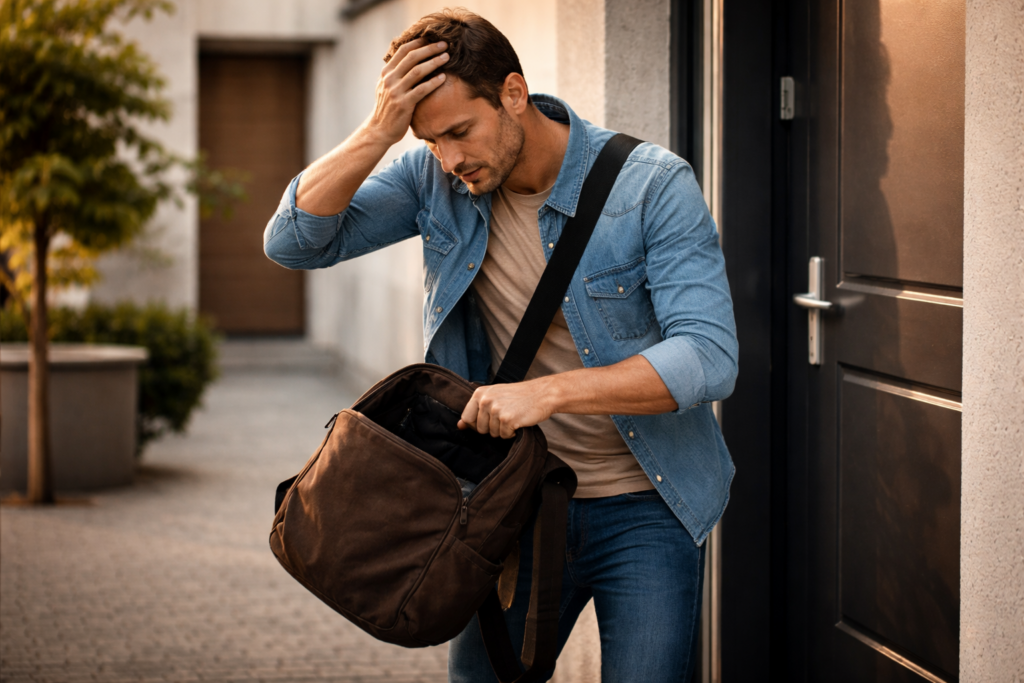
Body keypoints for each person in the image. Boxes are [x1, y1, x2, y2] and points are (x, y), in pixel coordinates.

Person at [264, 9, 737, 682]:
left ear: (513, 93)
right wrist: (379, 130)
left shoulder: (651, 186)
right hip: (507, 507)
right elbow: (294, 243)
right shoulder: (435, 179)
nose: (451, 159)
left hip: (647, 504)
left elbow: (709, 355)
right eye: (430, 140)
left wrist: (547, 393)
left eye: (460, 131)